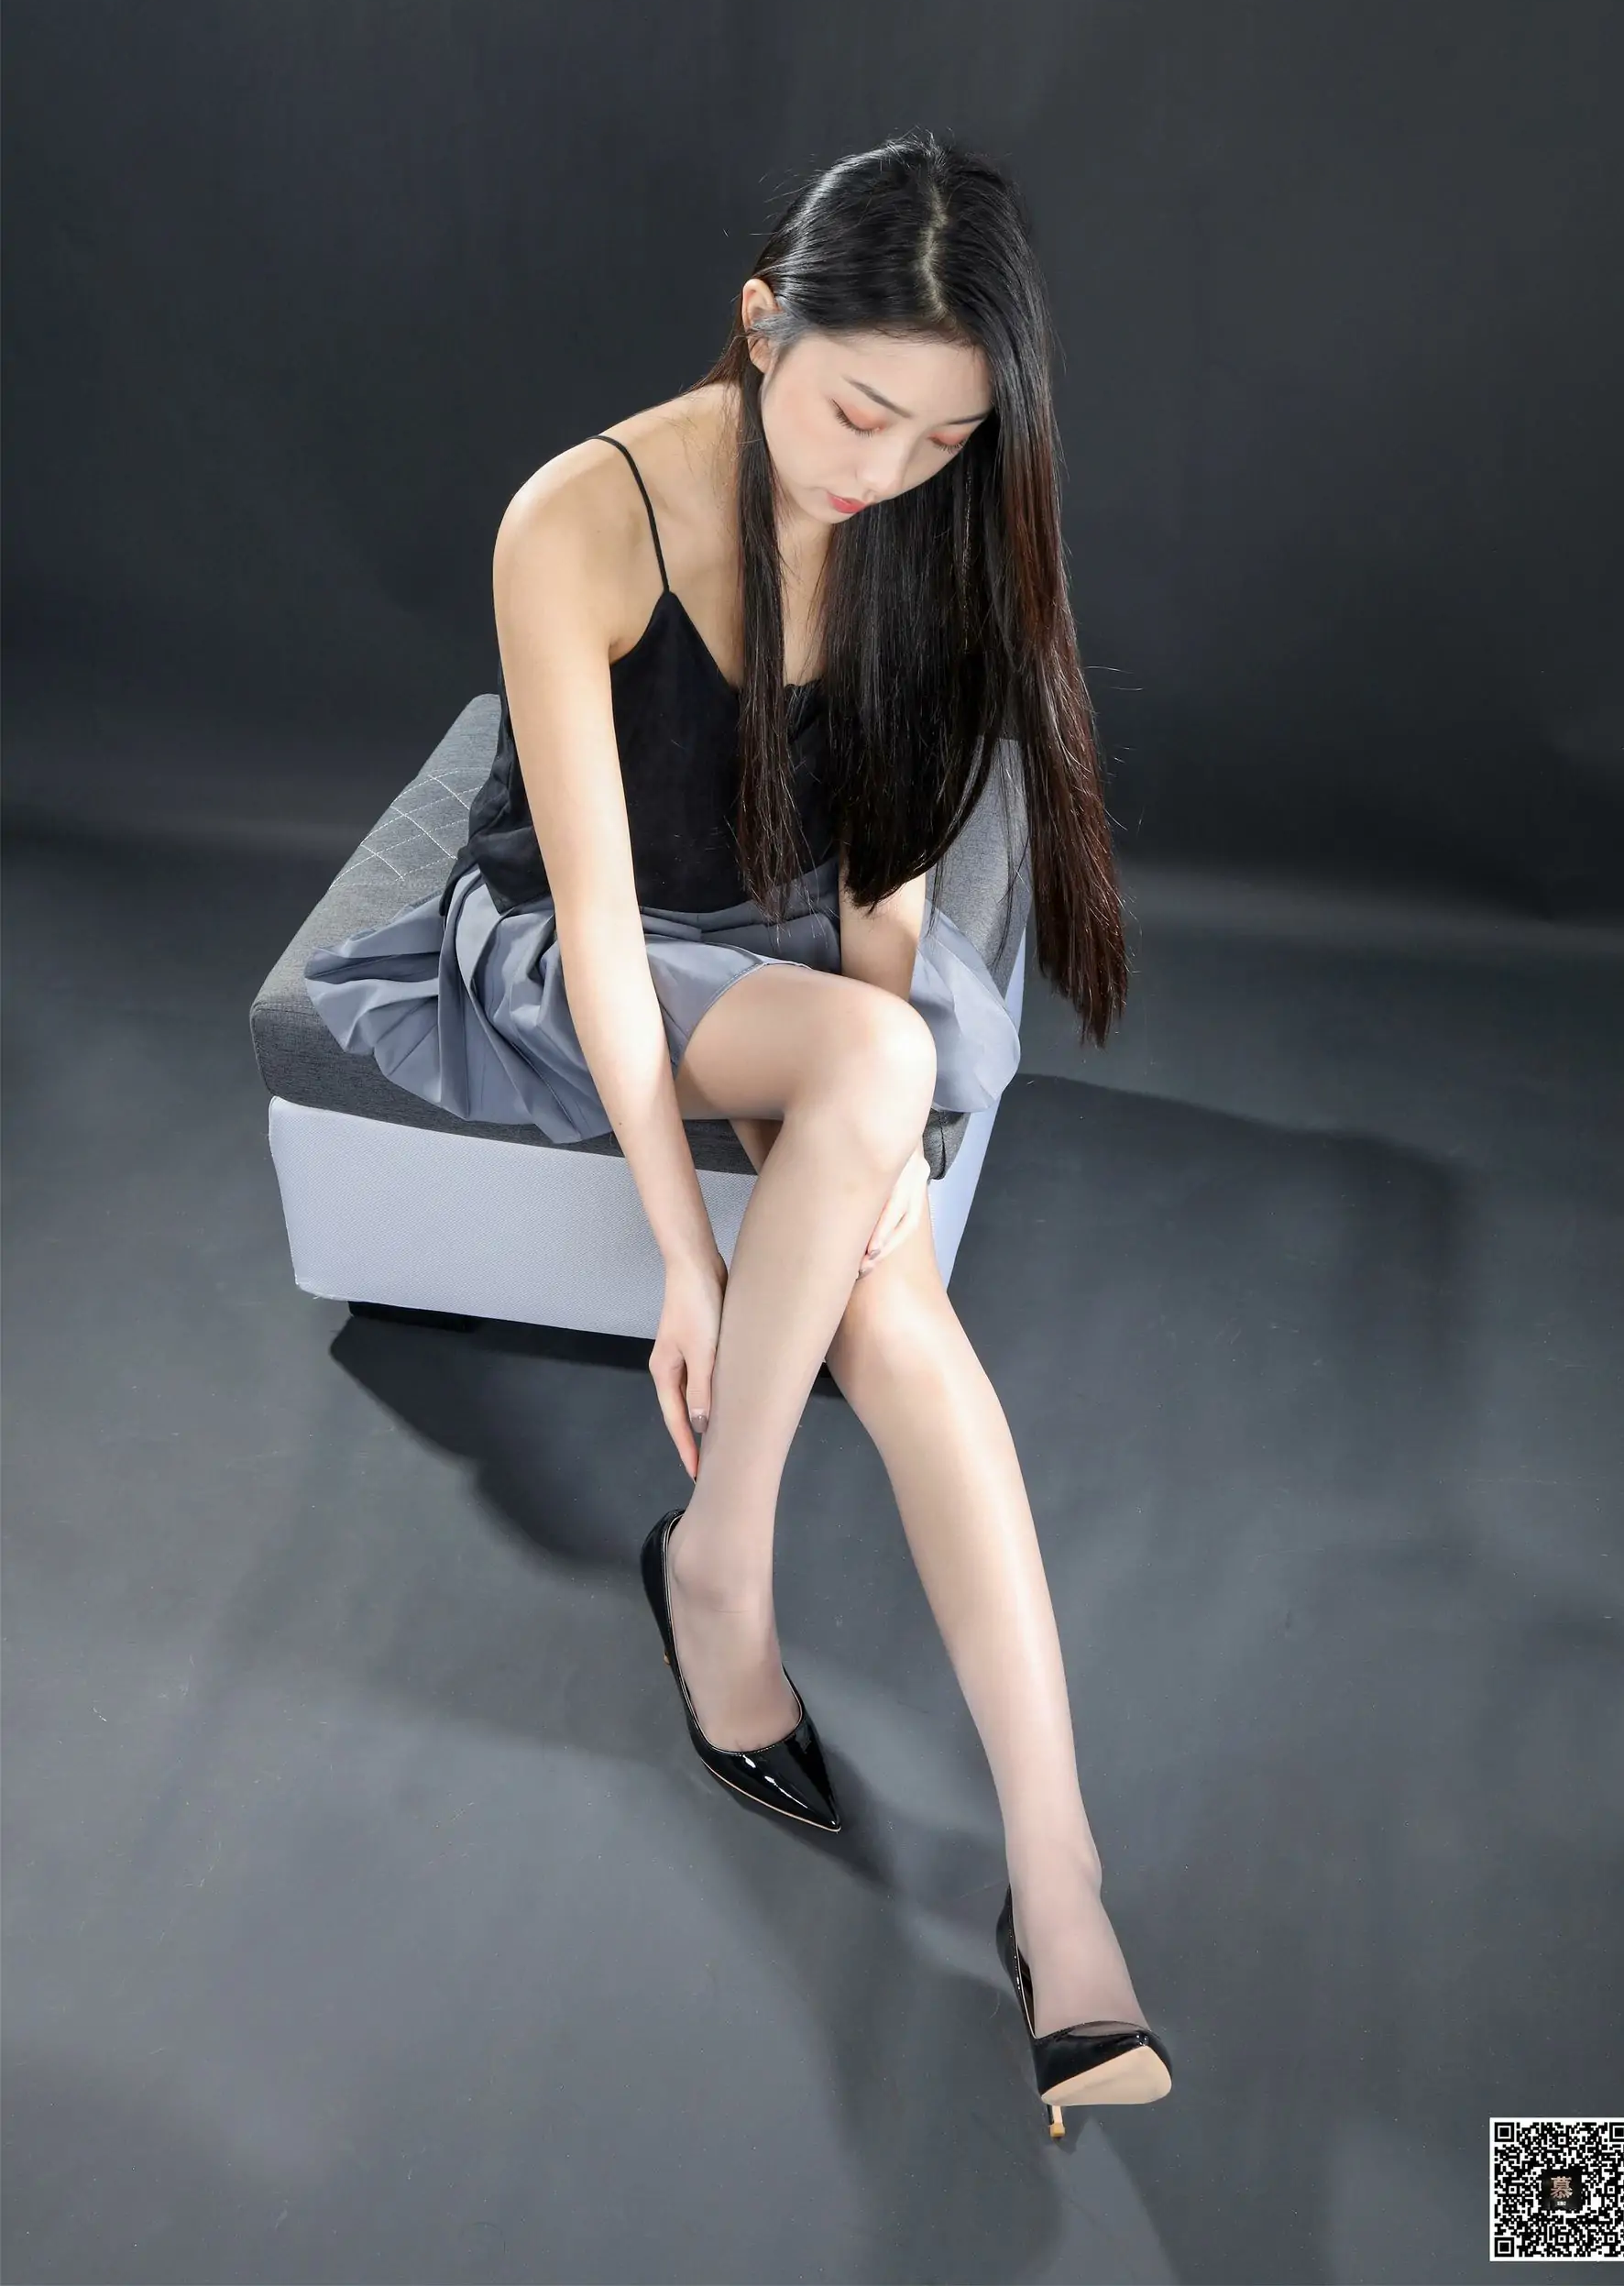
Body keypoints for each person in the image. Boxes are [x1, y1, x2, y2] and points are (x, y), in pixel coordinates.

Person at [304, 127, 1171, 2126]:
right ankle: (730, 1584)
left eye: (944, 441)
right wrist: (687, 1257)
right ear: (765, 322)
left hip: (790, 955)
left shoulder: (922, 529)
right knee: (865, 1086)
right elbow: (605, 933)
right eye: (861, 412)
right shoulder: (577, 517)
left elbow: (878, 890)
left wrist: (864, 1153)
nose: (890, 472)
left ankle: (1054, 1874)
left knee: (898, 1287)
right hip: (585, 947)